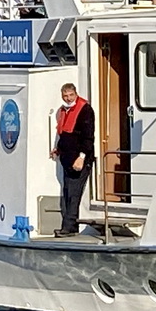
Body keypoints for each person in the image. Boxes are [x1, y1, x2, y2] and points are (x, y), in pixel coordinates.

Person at [50, 82, 95, 237]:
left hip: (79, 159)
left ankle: (69, 227)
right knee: (67, 191)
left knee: (74, 193)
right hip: (67, 158)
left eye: (71, 95)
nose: (68, 98)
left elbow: (88, 136)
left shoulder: (85, 110)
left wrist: (81, 157)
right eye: (65, 96)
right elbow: (63, 134)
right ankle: (70, 226)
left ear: (75, 94)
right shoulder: (64, 110)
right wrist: (58, 149)